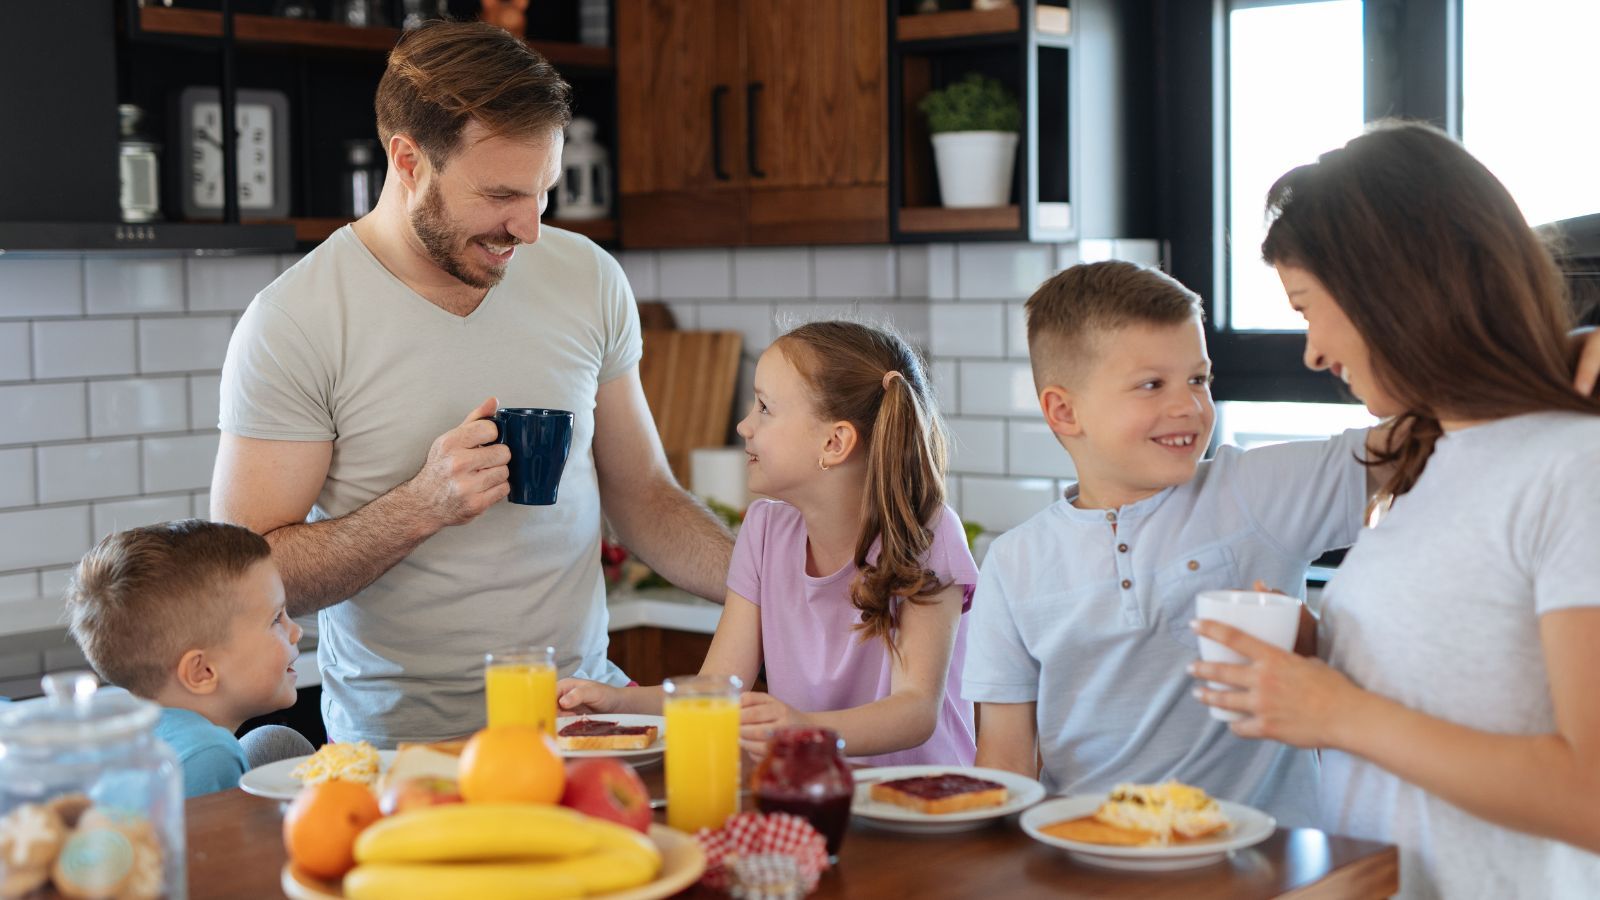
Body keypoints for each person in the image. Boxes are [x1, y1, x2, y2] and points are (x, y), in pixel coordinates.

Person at [210, 20, 733, 747]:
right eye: (501, 195)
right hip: (406, 750)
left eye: (542, 193)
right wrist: (419, 507)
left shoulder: (587, 279)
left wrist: (769, 579)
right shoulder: (296, 320)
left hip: (585, 721)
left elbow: (643, 494)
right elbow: (246, 576)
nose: (529, 229)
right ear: (408, 160)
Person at [1191, 121, 1600, 899]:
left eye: (1309, 307)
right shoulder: (1423, 460)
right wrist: (1326, 650)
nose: (1311, 352)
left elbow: (1592, 797)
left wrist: (1337, 713)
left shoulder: (1574, 468)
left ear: (1392, 288)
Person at [962, 260, 1390, 827]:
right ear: (1063, 411)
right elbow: (1006, 766)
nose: (1188, 406)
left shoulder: (1256, 491)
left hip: (1267, 867)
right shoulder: (1014, 563)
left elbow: (1418, 438)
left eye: (1198, 379)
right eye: (1151, 385)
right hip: (1094, 864)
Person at [558, 321, 980, 765]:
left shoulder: (928, 536)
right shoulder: (764, 532)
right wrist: (615, 703)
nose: (744, 425)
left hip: (924, 806)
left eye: (763, 407)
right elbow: (718, 690)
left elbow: (916, 711)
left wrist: (805, 730)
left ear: (834, 442)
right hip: (810, 790)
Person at [63, 520, 311, 797]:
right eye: (276, 619)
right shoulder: (208, 756)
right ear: (202, 671)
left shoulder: (124, 732)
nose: (296, 631)